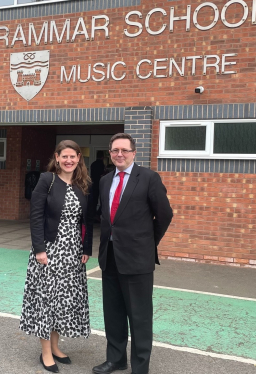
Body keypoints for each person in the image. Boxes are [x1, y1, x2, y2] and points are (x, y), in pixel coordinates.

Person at [92, 133, 173, 374]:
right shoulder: (106, 180)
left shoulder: (148, 178)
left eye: (124, 150)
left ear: (134, 153)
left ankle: (140, 366)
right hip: (110, 256)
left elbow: (165, 215)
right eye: (115, 150)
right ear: (110, 153)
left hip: (138, 259)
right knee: (113, 313)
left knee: (139, 317)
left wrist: (148, 242)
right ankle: (116, 359)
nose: (119, 154)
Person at [20, 140, 93, 373]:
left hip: (73, 252)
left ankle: (55, 345)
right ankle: (45, 352)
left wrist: (86, 248)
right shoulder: (47, 180)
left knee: (63, 300)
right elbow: (36, 216)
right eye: (65, 156)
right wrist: (39, 248)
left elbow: (87, 220)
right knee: (47, 300)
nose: (69, 160)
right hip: (50, 251)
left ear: (79, 158)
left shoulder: (82, 185)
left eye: (73, 156)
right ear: (57, 157)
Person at [89, 151, 106, 221]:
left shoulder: (93, 164)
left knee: (94, 199)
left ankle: (92, 214)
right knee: (103, 199)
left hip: (93, 183)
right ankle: (98, 214)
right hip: (101, 183)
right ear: (102, 157)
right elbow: (102, 174)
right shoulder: (101, 164)